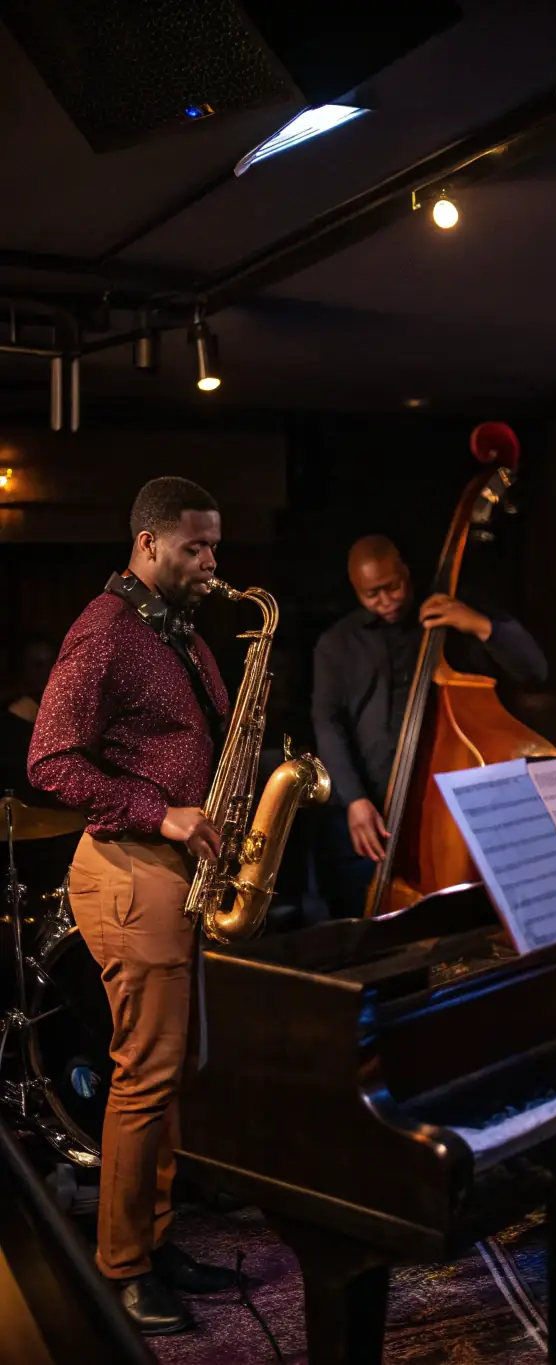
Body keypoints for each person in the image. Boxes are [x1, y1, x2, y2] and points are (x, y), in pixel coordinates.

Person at [28, 477, 236, 1336]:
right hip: (131, 865)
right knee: (143, 1077)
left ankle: (154, 1236)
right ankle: (120, 1266)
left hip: (175, 869)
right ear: (148, 545)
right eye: (196, 546)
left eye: (214, 545)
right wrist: (163, 812)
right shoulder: (105, 632)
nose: (212, 562)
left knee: (169, 1072)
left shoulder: (176, 630)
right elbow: (49, 762)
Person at [312, 534, 547, 906]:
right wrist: (354, 798)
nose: (385, 600)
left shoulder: (449, 617)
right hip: (366, 809)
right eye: (371, 594)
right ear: (355, 590)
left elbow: (535, 669)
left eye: (392, 586)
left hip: (440, 810)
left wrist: (479, 624)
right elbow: (327, 723)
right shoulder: (337, 644)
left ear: (405, 571)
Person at [0, 636, 57, 799]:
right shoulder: (8, 719)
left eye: (50, 663)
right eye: (36, 664)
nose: (45, 671)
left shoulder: (70, 714)